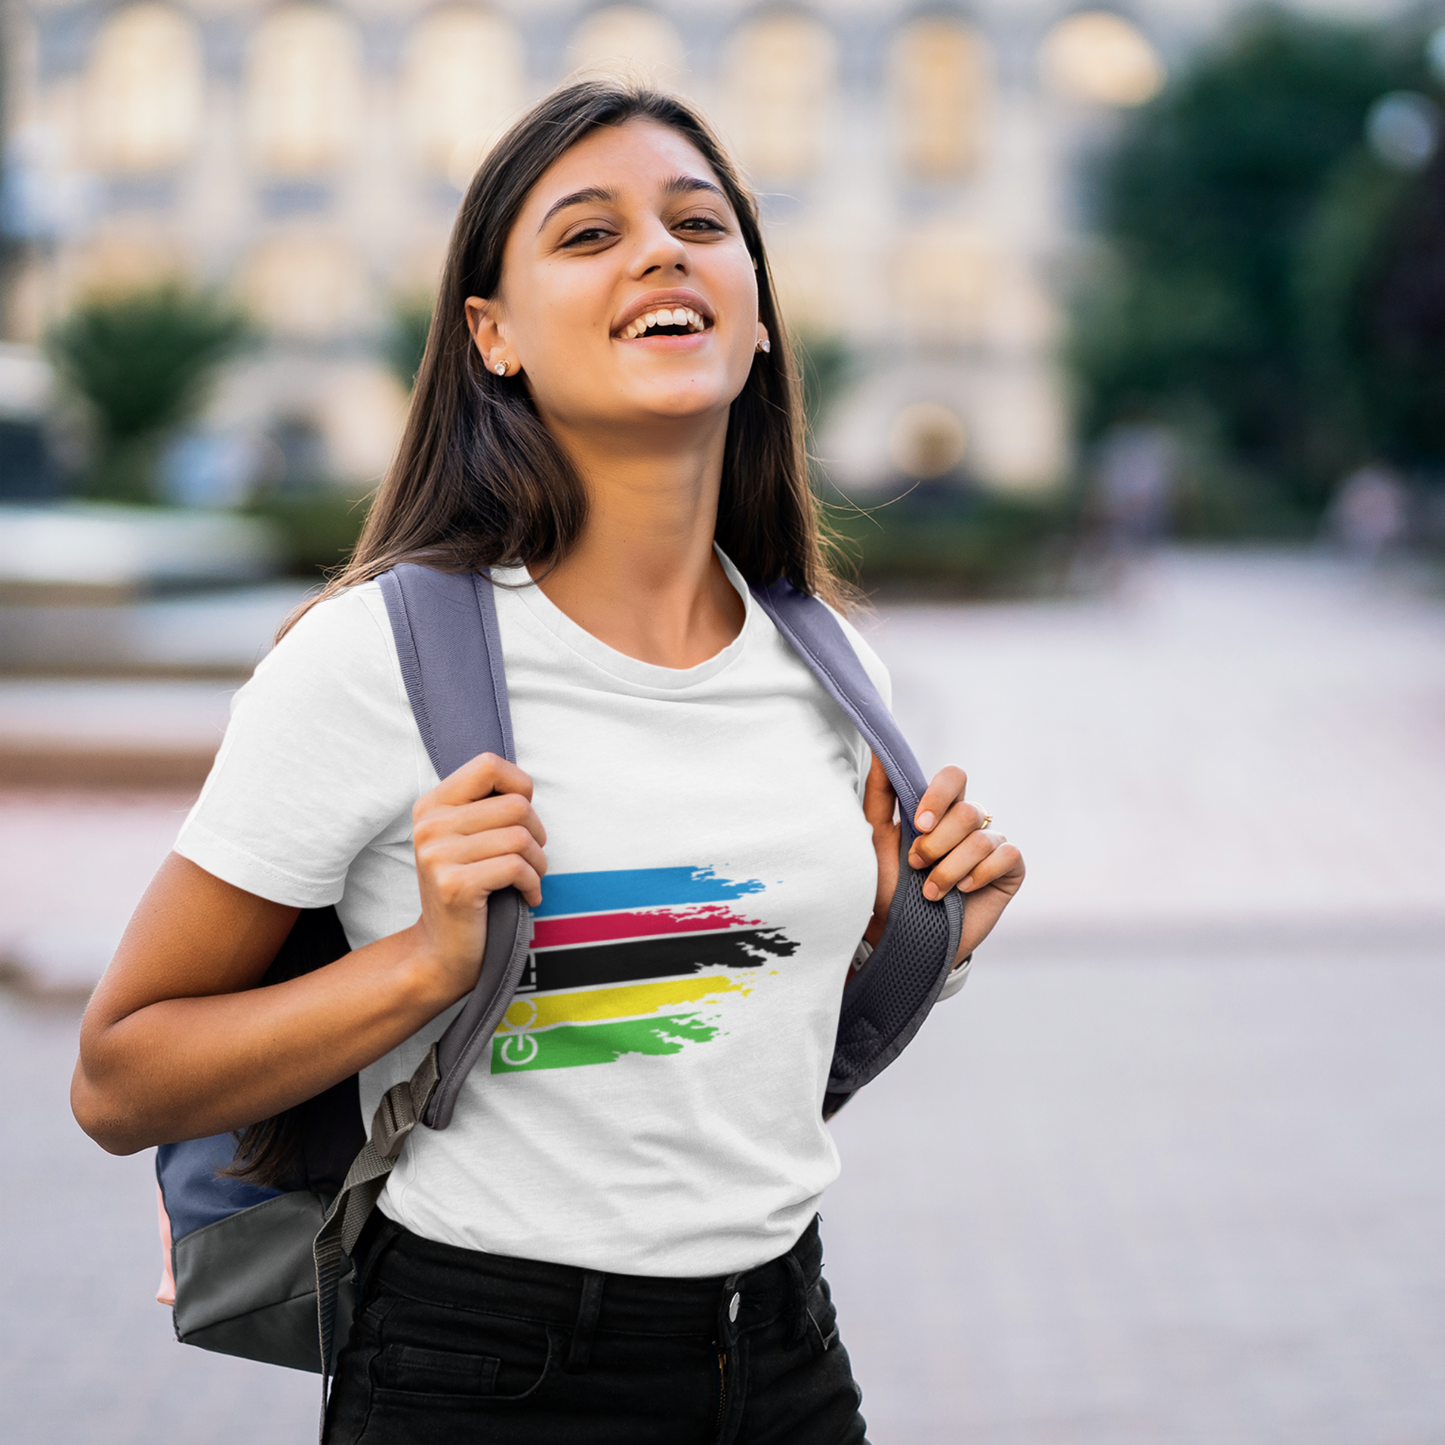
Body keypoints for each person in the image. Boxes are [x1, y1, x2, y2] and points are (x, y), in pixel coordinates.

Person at [71, 83, 1025, 1444]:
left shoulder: (838, 674)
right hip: (481, 1371)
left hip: (783, 1359)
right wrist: (417, 965)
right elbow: (117, 1080)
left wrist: (906, 941)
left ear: (753, 314)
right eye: (588, 235)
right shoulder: (375, 661)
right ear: (493, 335)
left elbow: (721, 1084)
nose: (660, 250)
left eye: (700, 223)